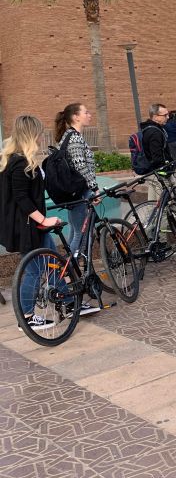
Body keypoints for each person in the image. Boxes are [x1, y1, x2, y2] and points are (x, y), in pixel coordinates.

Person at [0, 115, 79, 330]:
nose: (40, 136)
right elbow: (22, 199)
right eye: (38, 132)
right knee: (35, 271)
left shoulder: (15, 160)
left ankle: (68, 301)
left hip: (32, 226)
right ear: (30, 133)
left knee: (53, 264)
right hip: (27, 228)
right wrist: (43, 219)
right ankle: (25, 317)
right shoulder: (20, 163)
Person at [54, 103, 97, 253]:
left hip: (74, 191)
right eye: (86, 112)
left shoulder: (69, 136)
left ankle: (72, 269)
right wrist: (95, 188)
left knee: (75, 230)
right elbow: (81, 166)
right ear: (75, 117)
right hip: (79, 191)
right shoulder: (75, 138)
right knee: (81, 233)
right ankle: (69, 270)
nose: (89, 115)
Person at [140, 103, 172, 207]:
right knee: (164, 207)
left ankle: (150, 223)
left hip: (151, 172)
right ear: (155, 116)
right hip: (160, 175)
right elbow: (157, 157)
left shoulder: (147, 129)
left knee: (152, 205)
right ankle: (163, 223)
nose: (168, 117)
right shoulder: (155, 133)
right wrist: (167, 172)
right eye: (165, 115)